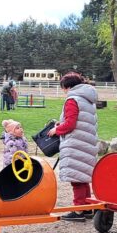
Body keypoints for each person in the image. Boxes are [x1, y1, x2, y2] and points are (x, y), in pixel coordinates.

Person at [47, 72, 98, 221]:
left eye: (63, 88)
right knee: (82, 178)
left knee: (76, 179)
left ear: (68, 87)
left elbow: (71, 124)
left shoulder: (72, 100)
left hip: (75, 142)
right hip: (86, 142)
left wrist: (56, 130)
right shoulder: (87, 99)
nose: (63, 91)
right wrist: (60, 124)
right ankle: (87, 208)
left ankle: (78, 210)